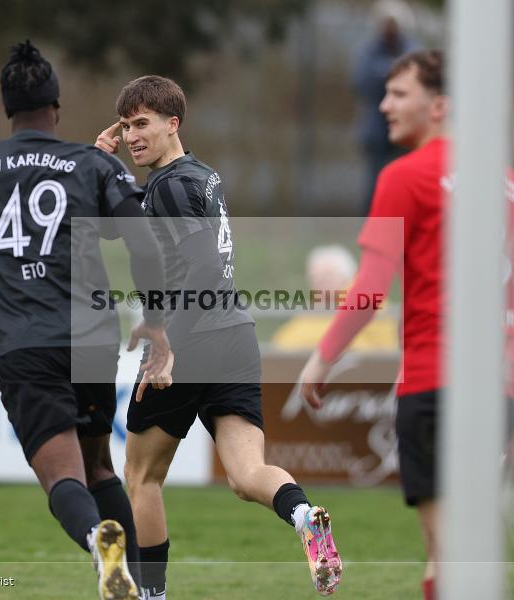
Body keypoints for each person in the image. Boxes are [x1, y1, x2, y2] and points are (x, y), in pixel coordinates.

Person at [297, 50, 514, 600]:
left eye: (398, 94)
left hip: (435, 387)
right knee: (471, 554)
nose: (384, 104)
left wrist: (321, 358)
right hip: (500, 390)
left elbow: (369, 289)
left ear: (440, 105)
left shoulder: (405, 176)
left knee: (446, 556)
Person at [0, 41, 171, 600]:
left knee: (63, 477)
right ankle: (141, 590)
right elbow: (143, 244)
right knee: (98, 465)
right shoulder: (93, 164)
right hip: (90, 335)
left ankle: (97, 540)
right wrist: (154, 320)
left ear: (8, 108)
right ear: (54, 106)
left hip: (23, 342)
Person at [95, 75, 342, 599]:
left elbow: (202, 268)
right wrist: (101, 165)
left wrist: (166, 346)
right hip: (235, 335)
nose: (133, 136)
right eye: (127, 126)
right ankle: (302, 515)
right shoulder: (197, 176)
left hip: (191, 339)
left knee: (141, 478)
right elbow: (119, 226)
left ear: (172, 123)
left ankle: (153, 595)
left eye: (143, 124)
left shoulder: (169, 187)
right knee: (247, 473)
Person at [353, 0, 419, 214]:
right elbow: (360, 82)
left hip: (407, 133)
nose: (389, 28)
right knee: (376, 186)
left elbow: (420, 84)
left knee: (405, 184)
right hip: (378, 134)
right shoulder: (369, 51)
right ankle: (375, 235)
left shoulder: (413, 51)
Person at [271, 244, 398, 351]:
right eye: (314, 276)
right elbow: (282, 343)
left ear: (347, 276)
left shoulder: (367, 299)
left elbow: (380, 347)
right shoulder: (315, 306)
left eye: (328, 275)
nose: (320, 281)